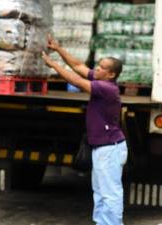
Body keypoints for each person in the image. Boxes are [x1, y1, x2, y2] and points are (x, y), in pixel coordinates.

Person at [42, 35, 127, 225]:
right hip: (102, 148)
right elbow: (79, 66)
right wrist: (58, 48)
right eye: (98, 65)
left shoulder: (107, 88)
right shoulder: (101, 80)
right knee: (99, 191)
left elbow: (77, 81)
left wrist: (53, 65)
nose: (97, 68)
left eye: (102, 67)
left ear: (111, 74)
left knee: (109, 192)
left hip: (110, 149)